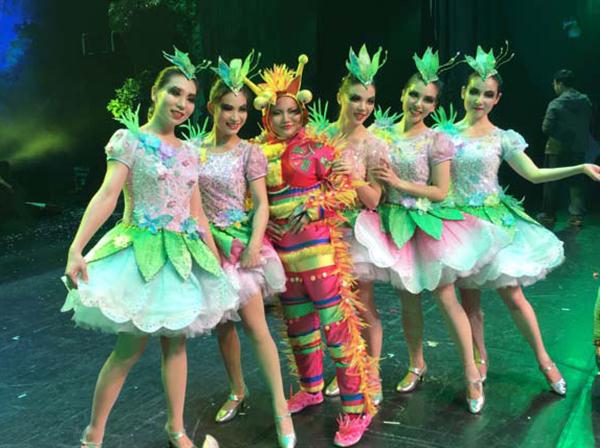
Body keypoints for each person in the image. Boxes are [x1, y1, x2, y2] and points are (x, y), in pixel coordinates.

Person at [62, 48, 238, 448]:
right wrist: (77, 248)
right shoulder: (131, 141)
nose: (182, 104)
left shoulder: (190, 152)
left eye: (190, 98)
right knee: (129, 349)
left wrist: (215, 264)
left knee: (176, 345)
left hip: (180, 256)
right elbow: (107, 195)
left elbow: (197, 214)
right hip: (140, 253)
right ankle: (94, 434)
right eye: (175, 93)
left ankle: (176, 428)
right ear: (156, 92)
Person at [445, 45, 600, 397]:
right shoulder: (445, 135)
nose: (479, 100)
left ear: (497, 99)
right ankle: (479, 358)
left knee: (513, 296)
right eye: (474, 91)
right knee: (469, 300)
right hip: (458, 226)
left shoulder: (503, 138)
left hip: (493, 225)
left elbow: (533, 174)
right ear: (463, 92)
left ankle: (544, 360)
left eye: (488, 94)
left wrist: (579, 167)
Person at [355, 48, 498, 413]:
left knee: (446, 298)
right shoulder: (380, 134)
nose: (419, 104)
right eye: (414, 95)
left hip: (426, 224)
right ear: (403, 95)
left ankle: (471, 372)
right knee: (408, 300)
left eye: (428, 100)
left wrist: (399, 183)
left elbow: (441, 191)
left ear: (435, 106)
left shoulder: (436, 140)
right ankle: (416, 363)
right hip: (393, 223)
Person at [245, 55, 378, 447]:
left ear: (302, 112)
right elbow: (250, 200)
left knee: (337, 331)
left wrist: (317, 206)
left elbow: (347, 190)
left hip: (319, 254)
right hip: (283, 259)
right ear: (266, 115)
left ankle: (357, 410)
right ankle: (311, 388)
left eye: (292, 111)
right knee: (298, 327)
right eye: (277, 112)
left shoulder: (319, 148)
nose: (286, 119)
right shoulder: (255, 153)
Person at [195, 51, 294, 448]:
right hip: (206, 244)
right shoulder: (194, 150)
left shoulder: (249, 151)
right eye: (227, 108)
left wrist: (253, 246)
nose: (235, 116)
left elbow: (262, 203)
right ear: (211, 107)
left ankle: (281, 408)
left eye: (241, 109)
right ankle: (237, 389)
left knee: (256, 326)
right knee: (223, 325)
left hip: (240, 244)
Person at [309, 45, 390, 403]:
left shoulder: (374, 145)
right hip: (322, 230)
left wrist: (351, 177)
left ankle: (371, 372)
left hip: (355, 233)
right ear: (340, 95)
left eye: (369, 101)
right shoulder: (319, 136)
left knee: (362, 303)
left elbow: (374, 199)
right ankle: (347, 368)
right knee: (333, 308)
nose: (362, 107)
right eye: (356, 98)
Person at [537, 69, 593, 228]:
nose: (554, 87)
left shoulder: (556, 103)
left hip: (557, 148)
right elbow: (590, 120)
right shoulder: (586, 101)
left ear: (560, 83)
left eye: (554, 84)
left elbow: (546, 128)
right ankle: (576, 217)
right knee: (577, 182)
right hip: (578, 147)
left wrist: (562, 134)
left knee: (551, 181)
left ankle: (548, 215)